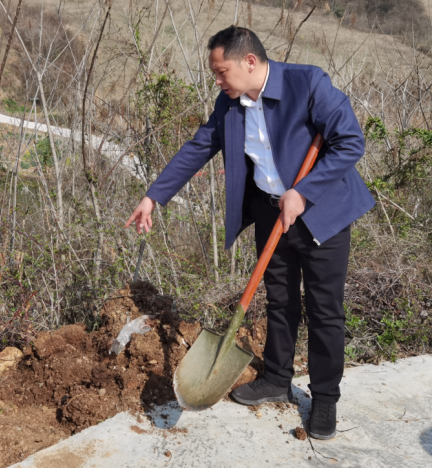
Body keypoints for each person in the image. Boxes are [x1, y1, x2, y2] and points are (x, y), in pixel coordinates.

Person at [125, 26, 375, 440]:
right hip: (270, 211)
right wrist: (154, 196)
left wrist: (303, 192)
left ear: (250, 62)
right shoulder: (229, 104)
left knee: (324, 309)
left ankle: (325, 399)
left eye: (221, 72)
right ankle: (276, 378)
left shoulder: (307, 83)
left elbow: (350, 142)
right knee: (280, 300)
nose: (217, 81)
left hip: (322, 213)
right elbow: (199, 146)